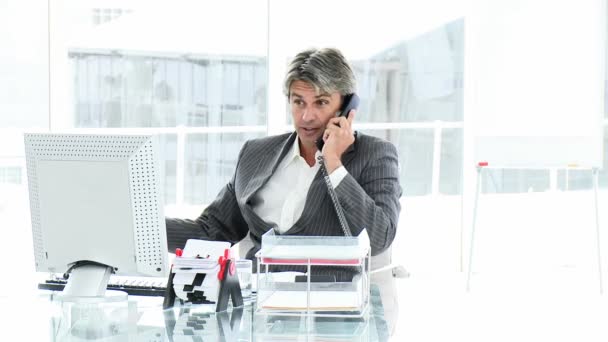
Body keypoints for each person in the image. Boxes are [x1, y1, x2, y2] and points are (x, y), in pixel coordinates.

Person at [166, 47, 402, 331]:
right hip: (256, 319)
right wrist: (140, 227)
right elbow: (211, 232)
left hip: (335, 320)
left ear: (346, 108)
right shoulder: (256, 154)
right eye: (298, 102)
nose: (306, 116)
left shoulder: (374, 155)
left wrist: (333, 164)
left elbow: (380, 237)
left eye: (321, 103)